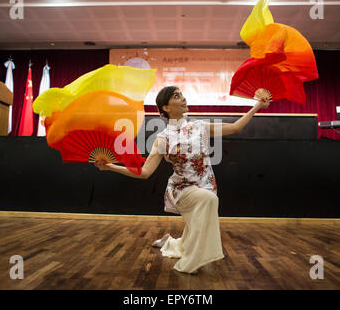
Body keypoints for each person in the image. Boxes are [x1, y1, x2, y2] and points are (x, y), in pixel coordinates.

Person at [94, 86, 272, 274]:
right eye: (177, 96)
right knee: (209, 201)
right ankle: (191, 262)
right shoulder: (162, 139)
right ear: (166, 107)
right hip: (181, 189)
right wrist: (109, 166)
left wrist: (257, 106)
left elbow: (235, 127)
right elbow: (145, 172)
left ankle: (170, 242)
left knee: (199, 220)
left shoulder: (199, 126)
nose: (183, 99)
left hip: (207, 185)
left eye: (182, 95)